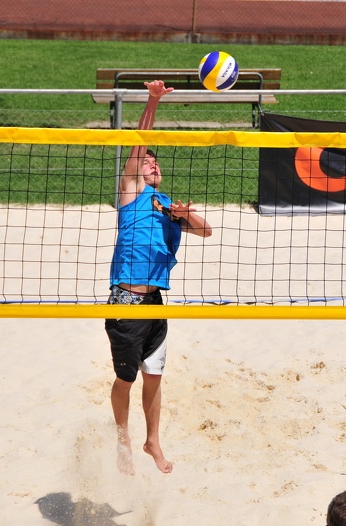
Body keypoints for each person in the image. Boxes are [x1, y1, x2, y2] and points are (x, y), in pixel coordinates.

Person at [105, 80, 212, 476]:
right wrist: (152, 100)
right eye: (148, 162)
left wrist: (184, 214)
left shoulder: (167, 205)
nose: (153, 164)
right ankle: (123, 439)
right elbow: (138, 142)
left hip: (154, 303)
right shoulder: (131, 193)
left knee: (155, 376)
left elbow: (206, 231)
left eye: (157, 163)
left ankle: (153, 440)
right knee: (125, 379)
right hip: (126, 302)